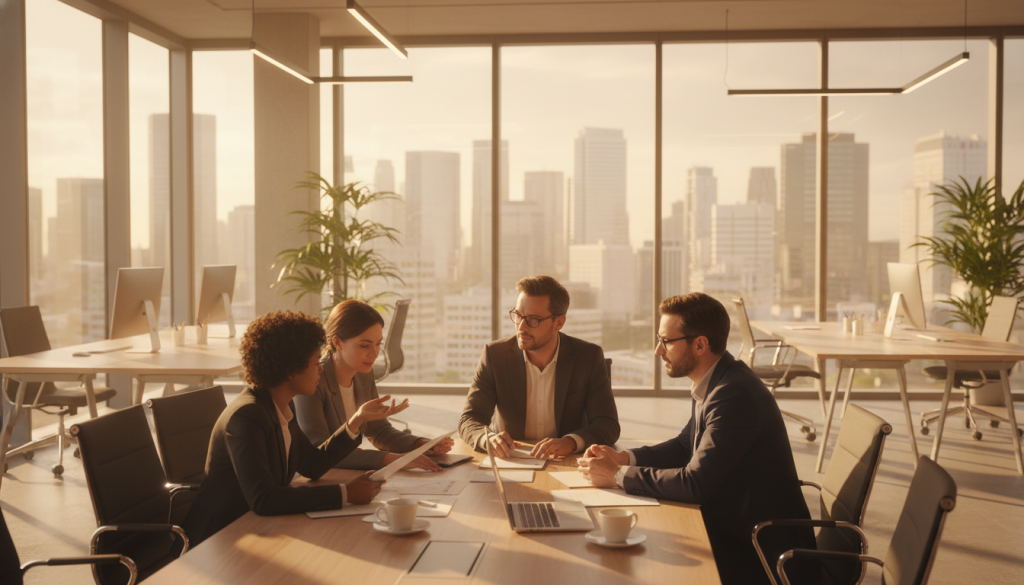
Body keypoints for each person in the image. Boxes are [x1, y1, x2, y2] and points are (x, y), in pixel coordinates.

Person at [577, 293, 817, 585]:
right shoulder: (716, 381)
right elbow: (683, 445)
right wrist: (624, 458)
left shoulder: (733, 394)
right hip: (734, 525)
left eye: (666, 341)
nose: (657, 350)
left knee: (638, 564)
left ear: (700, 344)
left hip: (757, 548)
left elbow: (695, 484)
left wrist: (617, 475)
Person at [182, 310, 407, 547]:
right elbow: (264, 498)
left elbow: (311, 464)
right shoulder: (247, 416)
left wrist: (356, 422)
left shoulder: (279, 406)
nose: (321, 369)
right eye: (314, 363)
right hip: (219, 540)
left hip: (258, 529)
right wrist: (346, 493)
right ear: (291, 368)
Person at [458, 275, 619, 459]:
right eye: (518, 315)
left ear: (559, 322)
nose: (521, 327)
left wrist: (570, 442)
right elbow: (469, 419)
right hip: (511, 460)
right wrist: (488, 439)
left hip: (567, 462)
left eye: (533, 319)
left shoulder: (588, 357)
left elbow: (608, 425)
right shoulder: (495, 356)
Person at [294, 300, 453, 472]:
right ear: (337, 343)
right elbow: (320, 450)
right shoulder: (313, 381)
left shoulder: (363, 373)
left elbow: (378, 431)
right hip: (318, 479)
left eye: (378, 344)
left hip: (345, 473)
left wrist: (422, 444)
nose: (374, 353)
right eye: (364, 345)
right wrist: (391, 459)